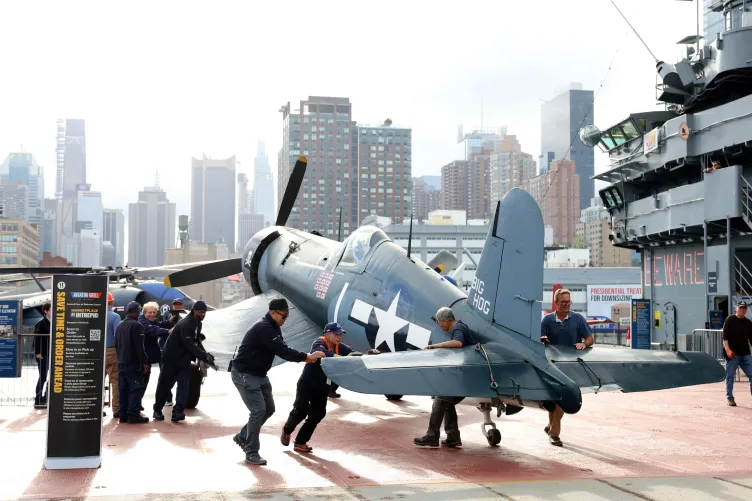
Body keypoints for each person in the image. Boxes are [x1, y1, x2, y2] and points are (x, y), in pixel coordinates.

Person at [230, 298, 325, 465]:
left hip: (259, 374)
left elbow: (283, 346)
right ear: (272, 312)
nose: (285, 319)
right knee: (258, 410)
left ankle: (243, 436)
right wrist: (307, 357)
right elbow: (282, 351)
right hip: (245, 374)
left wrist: (304, 357)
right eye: (283, 316)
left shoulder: (274, 326)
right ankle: (251, 452)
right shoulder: (264, 328)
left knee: (269, 409)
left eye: (287, 316)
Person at [282, 322, 359, 452]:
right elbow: (320, 352)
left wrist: (368, 355)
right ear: (327, 334)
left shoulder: (340, 347)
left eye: (341, 334)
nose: (339, 337)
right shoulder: (319, 343)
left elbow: (352, 354)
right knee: (301, 410)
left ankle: (300, 442)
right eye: (336, 334)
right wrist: (338, 358)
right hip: (307, 384)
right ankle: (287, 430)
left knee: (318, 414)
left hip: (323, 387)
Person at [413, 307, 475, 448]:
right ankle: (453, 437)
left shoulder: (457, 328)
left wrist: (436, 346)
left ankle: (432, 436)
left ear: (447, 321)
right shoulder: (460, 326)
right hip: (468, 379)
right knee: (447, 402)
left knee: (440, 399)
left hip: (467, 380)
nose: (439, 325)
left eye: (440, 322)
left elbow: (458, 343)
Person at [540, 288, 593, 446]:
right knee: (557, 400)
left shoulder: (577, 319)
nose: (566, 305)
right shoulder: (547, 320)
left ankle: (551, 428)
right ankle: (554, 434)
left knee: (563, 399)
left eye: (568, 302)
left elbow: (590, 338)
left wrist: (584, 343)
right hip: (552, 366)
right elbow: (539, 338)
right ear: (556, 303)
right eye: (563, 302)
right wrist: (542, 339)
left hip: (571, 366)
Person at [153, 300, 214, 422]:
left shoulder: (197, 323)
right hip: (171, 358)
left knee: (183, 386)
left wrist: (204, 353)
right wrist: (204, 356)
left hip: (183, 359)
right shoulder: (186, 323)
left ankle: (178, 412)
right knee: (165, 385)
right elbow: (189, 344)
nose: (202, 315)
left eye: (204, 313)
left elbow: (195, 341)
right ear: (194, 311)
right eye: (200, 312)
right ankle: (157, 409)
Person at [115, 301, 150, 423]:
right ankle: (133, 414)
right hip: (132, 363)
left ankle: (123, 413)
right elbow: (139, 347)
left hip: (121, 362)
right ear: (136, 311)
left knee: (123, 388)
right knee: (135, 388)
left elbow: (116, 345)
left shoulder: (120, 325)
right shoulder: (136, 325)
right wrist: (145, 362)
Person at [138, 301, 172, 407]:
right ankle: (135, 405)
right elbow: (154, 330)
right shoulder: (143, 322)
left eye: (154, 312)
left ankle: (137, 404)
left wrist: (168, 322)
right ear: (144, 313)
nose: (152, 314)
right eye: (150, 312)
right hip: (142, 358)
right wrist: (168, 331)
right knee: (141, 382)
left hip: (148, 357)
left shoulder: (150, 320)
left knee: (145, 381)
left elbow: (158, 324)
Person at [722, 301, 752, 406]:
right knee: (730, 376)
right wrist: (727, 350)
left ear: (746, 309)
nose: (742, 310)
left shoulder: (748, 323)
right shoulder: (729, 320)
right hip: (733, 354)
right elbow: (725, 337)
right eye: (740, 308)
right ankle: (730, 397)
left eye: (744, 308)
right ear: (736, 308)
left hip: (745, 354)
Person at [159, 298, 185, 406]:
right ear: (173, 306)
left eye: (179, 304)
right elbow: (165, 325)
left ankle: (179, 400)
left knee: (178, 376)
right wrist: (171, 320)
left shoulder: (186, 316)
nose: (178, 307)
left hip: (180, 351)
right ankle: (167, 398)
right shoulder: (167, 314)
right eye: (176, 305)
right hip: (166, 349)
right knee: (165, 375)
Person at [105, 293, 121, 416]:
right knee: (115, 381)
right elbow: (118, 336)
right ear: (112, 302)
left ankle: (97, 408)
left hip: (97, 352)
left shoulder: (97, 315)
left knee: (97, 381)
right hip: (111, 351)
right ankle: (116, 409)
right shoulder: (115, 316)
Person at [33, 302, 51, 409]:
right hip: (43, 354)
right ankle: (38, 399)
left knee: (51, 377)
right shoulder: (41, 323)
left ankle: (45, 397)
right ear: (45, 311)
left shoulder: (53, 322)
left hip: (51, 353)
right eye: (51, 310)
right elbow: (37, 339)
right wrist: (38, 353)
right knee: (43, 376)